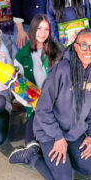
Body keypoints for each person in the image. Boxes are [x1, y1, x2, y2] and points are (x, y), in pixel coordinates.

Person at [9, 30, 91, 180]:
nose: (88, 51)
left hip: (74, 132)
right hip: (50, 132)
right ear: (75, 46)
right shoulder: (61, 70)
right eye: (83, 45)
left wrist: (90, 136)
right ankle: (32, 155)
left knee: (88, 168)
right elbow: (43, 110)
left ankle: (65, 157)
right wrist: (58, 138)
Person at [14, 15, 64, 144]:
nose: (42, 33)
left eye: (46, 29)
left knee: (59, 138)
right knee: (30, 143)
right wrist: (30, 103)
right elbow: (17, 87)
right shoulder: (21, 56)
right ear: (32, 29)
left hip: (59, 105)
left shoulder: (59, 50)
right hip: (36, 106)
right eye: (39, 28)